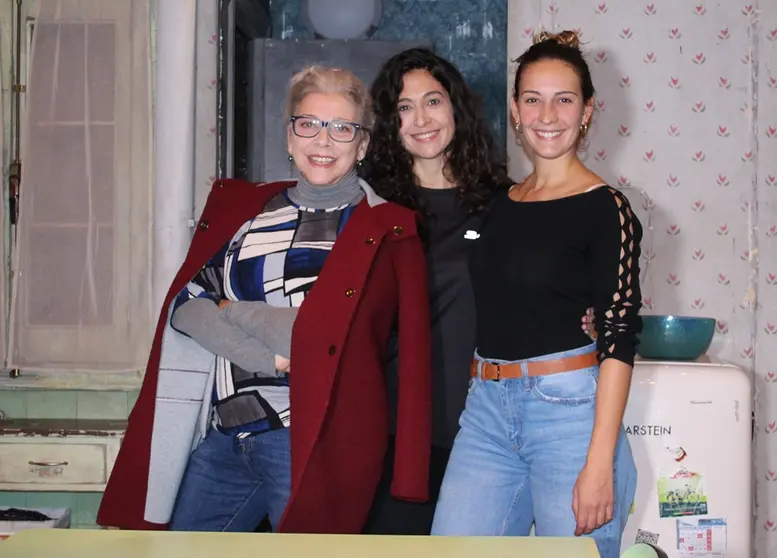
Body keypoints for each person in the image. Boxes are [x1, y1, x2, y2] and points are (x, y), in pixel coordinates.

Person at [96, 66, 433, 534]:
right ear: (289, 137)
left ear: (363, 145)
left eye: (342, 128)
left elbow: (316, 337)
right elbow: (186, 308)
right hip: (224, 433)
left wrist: (229, 309)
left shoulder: (389, 231)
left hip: (314, 443)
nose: (323, 140)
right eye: (309, 123)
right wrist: (266, 357)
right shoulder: (243, 212)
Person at [360, 47, 596, 535]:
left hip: (484, 429)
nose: (421, 119)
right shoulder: (371, 210)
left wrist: (588, 311)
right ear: (389, 121)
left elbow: (555, 282)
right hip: (392, 429)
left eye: (433, 101)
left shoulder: (504, 203)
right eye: (404, 107)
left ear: (456, 108)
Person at [429, 30, 641, 558]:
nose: (548, 114)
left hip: (568, 414)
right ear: (516, 110)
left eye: (564, 99)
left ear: (588, 111)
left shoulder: (606, 208)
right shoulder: (498, 203)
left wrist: (599, 463)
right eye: (533, 99)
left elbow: (619, 335)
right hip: (485, 413)